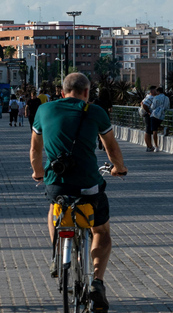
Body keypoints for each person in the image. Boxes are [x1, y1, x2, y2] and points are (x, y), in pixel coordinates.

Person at [30, 72, 127, 312]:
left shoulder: (44, 110)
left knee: (54, 209)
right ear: (87, 92)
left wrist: (38, 173)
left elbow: (35, 149)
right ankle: (96, 282)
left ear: (62, 92)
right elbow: (111, 147)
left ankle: (56, 255)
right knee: (101, 231)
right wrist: (119, 168)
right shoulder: (95, 112)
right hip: (89, 185)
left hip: (57, 184)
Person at [149, 87, 170, 151]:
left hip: (155, 114)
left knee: (154, 130)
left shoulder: (156, 97)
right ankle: (164, 128)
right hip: (162, 115)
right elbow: (167, 107)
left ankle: (156, 146)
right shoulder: (166, 98)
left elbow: (153, 107)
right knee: (156, 126)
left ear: (158, 92)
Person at [140, 86, 157, 152]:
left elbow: (141, 102)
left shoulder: (147, 96)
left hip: (146, 114)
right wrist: (148, 111)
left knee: (148, 131)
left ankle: (149, 146)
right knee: (148, 131)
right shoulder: (150, 97)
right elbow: (144, 105)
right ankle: (149, 146)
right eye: (155, 90)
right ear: (152, 91)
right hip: (148, 115)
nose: (157, 91)